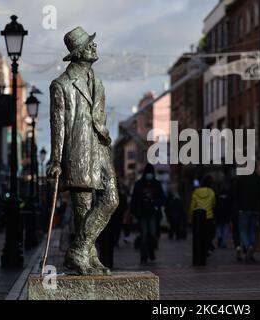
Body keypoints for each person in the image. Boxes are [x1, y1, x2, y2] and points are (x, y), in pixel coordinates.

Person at [47, 27, 119, 275]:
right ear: (78, 52)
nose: (94, 47)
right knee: (83, 209)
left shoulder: (97, 81)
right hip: (77, 151)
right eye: (89, 45)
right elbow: (58, 124)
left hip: (99, 146)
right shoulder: (61, 85)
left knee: (112, 199)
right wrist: (56, 159)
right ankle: (88, 257)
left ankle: (78, 250)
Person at [130, 164, 165, 265]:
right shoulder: (139, 184)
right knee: (144, 235)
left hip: (153, 213)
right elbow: (134, 199)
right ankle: (144, 256)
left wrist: (157, 205)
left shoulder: (156, 184)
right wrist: (135, 212)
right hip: (143, 214)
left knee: (152, 234)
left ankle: (150, 251)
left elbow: (162, 198)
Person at [236, 165, 260, 262]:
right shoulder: (259, 179)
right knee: (252, 230)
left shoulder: (242, 178)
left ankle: (248, 246)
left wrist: (239, 207)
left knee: (243, 230)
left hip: (245, 208)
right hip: (256, 209)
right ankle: (251, 247)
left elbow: (237, 194)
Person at [189, 175, 216, 256]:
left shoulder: (196, 192)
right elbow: (213, 204)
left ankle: (203, 249)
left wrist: (190, 219)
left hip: (198, 217)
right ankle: (208, 247)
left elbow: (192, 206)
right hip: (209, 216)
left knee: (200, 235)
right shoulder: (211, 192)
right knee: (209, 234)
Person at [215, 183, 232, 249]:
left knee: (219, 228)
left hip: (218, 216)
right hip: (226, 216)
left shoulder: (217, 198)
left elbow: (215, 207)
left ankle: (219, 236)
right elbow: (230, 208)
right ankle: (223, 243)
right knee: (225, 230)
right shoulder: (228, 199)